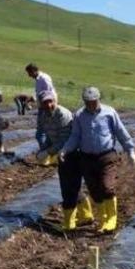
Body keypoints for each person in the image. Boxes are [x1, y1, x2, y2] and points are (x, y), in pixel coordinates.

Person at [60, 87, 135, 233]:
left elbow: (120, 132)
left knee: (107, 187)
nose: (91, 105)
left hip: (106, 156)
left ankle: (111, 220)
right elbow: (75, 136)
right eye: (88, 102)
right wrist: (65, 149)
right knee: (94, 191)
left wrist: (130, 150)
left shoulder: (109, 112)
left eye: (93, 102)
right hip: (87, 158)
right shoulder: (79, 115)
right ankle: (103, 219)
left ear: (98, 99)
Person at [35, 90, 93, 231]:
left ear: (56, 101)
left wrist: (48, 152)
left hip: (73, 152)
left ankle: (69, 224)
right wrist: (43, 147)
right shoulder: (43, 115)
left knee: (68, 187)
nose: (48, 104)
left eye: (51, 101)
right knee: (71, 186)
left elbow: (64, 139)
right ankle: (86, 215)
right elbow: (44, 133)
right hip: (62, 153)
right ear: (40, 104)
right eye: (45, 102)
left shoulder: (63, 114)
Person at [25, 63, 56, 148]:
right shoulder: (39, 80)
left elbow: (49, 94)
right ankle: (47, 151)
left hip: (46, 109)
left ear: (34, 71)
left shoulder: (44, 79)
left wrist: (49, 109)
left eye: (29, 73)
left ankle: (45, 152)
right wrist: (33, 98)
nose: (29, 76)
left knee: (41, 134)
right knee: (45, 132)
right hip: (43, 108)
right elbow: (41, 93)